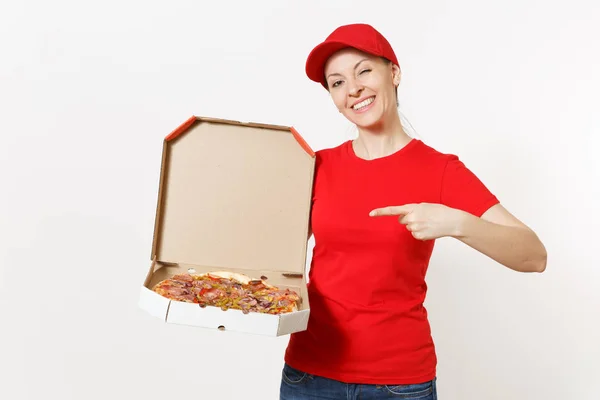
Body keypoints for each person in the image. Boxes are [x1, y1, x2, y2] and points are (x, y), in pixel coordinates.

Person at [279, 23, 547, 400]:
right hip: (308, 376)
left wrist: (455, 222)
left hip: (398, 383)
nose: (352, 88)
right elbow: (272, 257)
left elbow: (534, 256)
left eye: (364, 70)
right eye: (336, 82)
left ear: (394, 73)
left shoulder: (439, 170)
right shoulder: (316, 166)